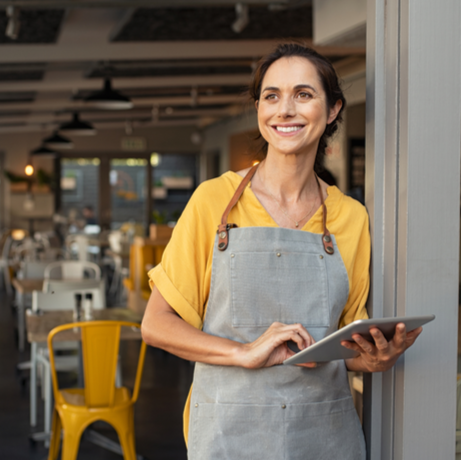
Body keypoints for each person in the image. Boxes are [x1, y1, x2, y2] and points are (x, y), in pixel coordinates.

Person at [141, 43, 422, 459]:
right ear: (259, 109)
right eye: (271, 96)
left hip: (323, 435)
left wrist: (374, 359)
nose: (284, 110)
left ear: (332, 110)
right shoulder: (213, 202)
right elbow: (155, 325)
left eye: (303, 95)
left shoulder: (350, 217)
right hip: (228, 434)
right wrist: (242, 352)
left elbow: (344, 348)